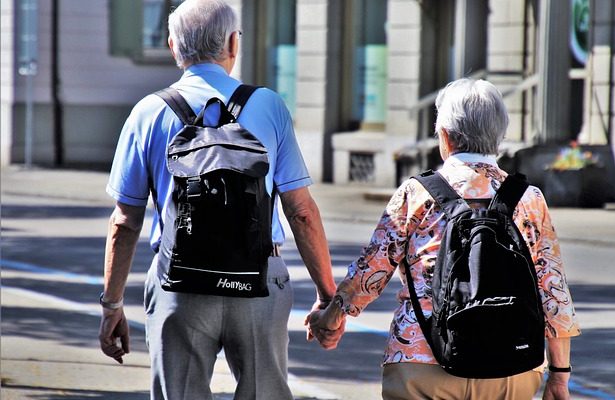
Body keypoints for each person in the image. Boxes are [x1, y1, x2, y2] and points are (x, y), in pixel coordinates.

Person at [98, 1, 341, 399]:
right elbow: (301, 211)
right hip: (259, 280)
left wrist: (112, 305)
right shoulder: (269, 105)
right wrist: (328, 296)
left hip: (179, 284)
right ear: (233, 43)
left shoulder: (148, 112)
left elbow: (125, 222)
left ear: (174, 45)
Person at [306, 78, 580, 400]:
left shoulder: (417, 193)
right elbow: (553, 290)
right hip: (511, 365)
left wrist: (332, 315)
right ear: (499, 136)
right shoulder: (529, 199)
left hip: (421, 360)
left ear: (446, 136)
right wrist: (559, 375)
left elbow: (373, 269)